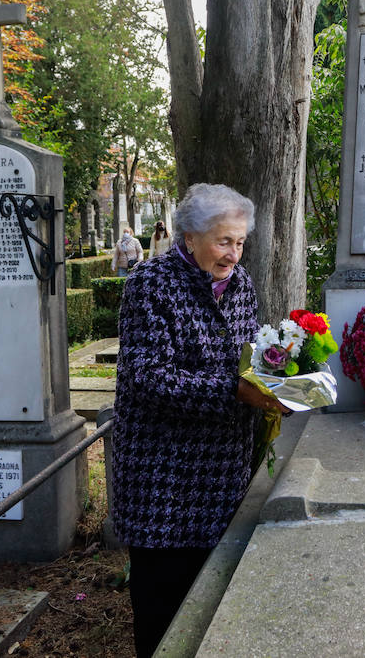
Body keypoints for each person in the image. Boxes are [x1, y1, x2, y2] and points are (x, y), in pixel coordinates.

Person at [110, 183, 289, 657]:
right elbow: (148, 378)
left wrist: (281, 382)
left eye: (241, 241)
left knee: (215, 603)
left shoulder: (242, 284)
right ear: (189, 238)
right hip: (164, 480)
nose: (234, 253)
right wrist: (235, 391)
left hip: (224, 472)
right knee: (164, 612)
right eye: (224, 241)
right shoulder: (151, 284)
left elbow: (248, 360)